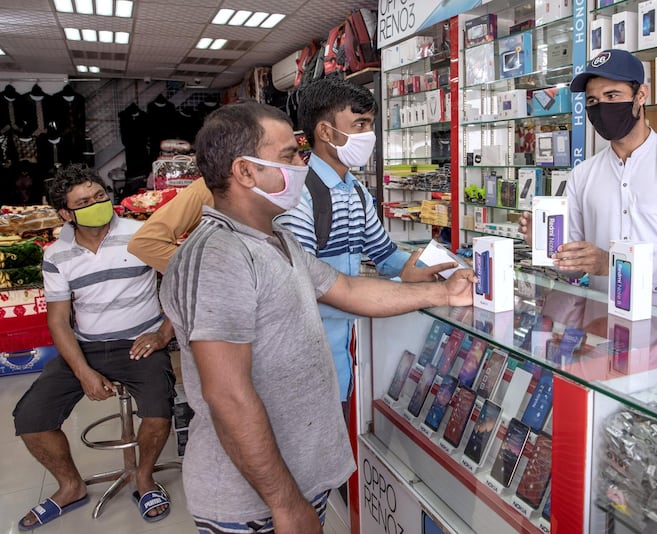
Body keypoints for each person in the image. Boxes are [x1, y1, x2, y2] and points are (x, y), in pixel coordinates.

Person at [158, 101, 475, 532]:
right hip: (251, 503)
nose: (301, 166)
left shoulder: (277, 239)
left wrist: (442, 291)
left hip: (299, 477)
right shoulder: (219, 256)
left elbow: (346, 289)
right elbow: (228, 397)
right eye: (288, 156)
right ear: (245, 171)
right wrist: (285, 504)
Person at [14, 164, 176, 530]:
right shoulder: (57, 254)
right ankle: (70, 487)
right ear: (65, 214)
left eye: (100, 196)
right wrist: (83, 371)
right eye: (84, 202)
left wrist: (163, 335)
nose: (96, 204)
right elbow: (58, 321)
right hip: (86, 347)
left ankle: (145, 479)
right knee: (30, 419)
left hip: (141, 342)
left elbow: (182, 286)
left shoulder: (141, 235)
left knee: (158, 411)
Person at [275, 77, 453, 408]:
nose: (369, 135)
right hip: (302, 370)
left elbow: (385, 254)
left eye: (370, 124)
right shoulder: (300, 197)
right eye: (359, 124)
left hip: (340, 364)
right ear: (326, 132)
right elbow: (302, 289)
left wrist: (439, 268)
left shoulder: (354, 190)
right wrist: (404, 287)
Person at [519, 49, 657, 320]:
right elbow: (578, 267)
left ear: (641, 95)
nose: (601, 106)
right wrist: (546, 246)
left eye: (612, 96)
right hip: (607, 323)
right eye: (592, 100)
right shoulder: (583, 175)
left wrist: (611, 265)